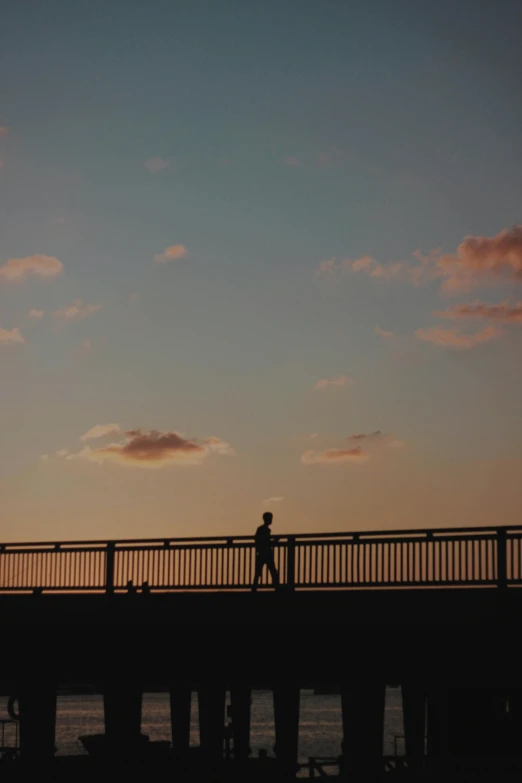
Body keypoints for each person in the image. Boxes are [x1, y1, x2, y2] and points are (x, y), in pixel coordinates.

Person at [252, 512, 280, 591]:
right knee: (272, 571)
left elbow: (259, 540)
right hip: (266, 553)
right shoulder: (263, 529)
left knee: (259, 572)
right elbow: (266, 542)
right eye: (270, 518)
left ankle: (254, 588)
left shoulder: (261, 529)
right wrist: (274, 541)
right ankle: (277, 588)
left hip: (261, 553)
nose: (271, 520)